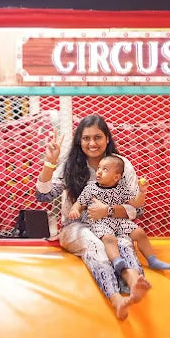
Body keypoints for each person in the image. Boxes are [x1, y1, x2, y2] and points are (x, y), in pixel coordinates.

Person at [35, 114, 152, 320]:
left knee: (123, 241)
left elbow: (136, 209)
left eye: (97, 137)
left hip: (111, 225)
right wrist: (50, 163)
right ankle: (117, 300)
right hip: (76, 227)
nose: (92, 143)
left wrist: (107, 211)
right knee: (95, 245)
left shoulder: (121, 166)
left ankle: (134, 282)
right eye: (86, 138)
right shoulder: (70, 165)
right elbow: (43, 195)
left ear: (107, 138)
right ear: (79, 141)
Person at [68, 154, 170, 273]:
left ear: (116, 177)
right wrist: (74, 210)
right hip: (99, 222)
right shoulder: (91, 188)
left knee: (140, 233)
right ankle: (116, 260)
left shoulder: (122, 189)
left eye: (105, 170)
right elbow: (80, 203)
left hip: (118, 220)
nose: (99, 172)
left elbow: (136, 204)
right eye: (99, 168)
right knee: (109, 238)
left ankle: (152, 259)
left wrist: (142, 192)